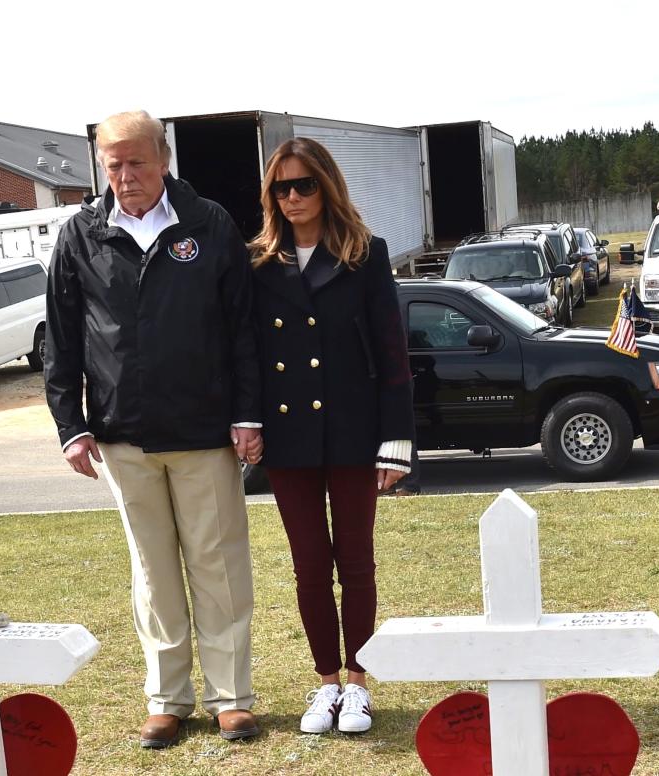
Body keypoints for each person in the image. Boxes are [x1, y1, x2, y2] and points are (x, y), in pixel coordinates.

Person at [43, 110, 263, 749]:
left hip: (204, 434)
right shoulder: (79, 236)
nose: (126, 176)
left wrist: (247, 414)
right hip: (122, 436)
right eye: (113, 164)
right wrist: (70, 425)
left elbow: (241, 328)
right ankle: (167, 699)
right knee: (152, 571)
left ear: (163, 158)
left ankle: (232, 698)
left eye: (137, 162)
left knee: (218, 565)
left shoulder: (209, 225)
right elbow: (61, 341)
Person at [248, 138, 415, 735]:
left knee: (358, 563)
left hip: (352, 430)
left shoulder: (365, 255)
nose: (293, 198)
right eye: (281, 188)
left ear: (328, 186)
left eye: (304, 185)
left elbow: (393, 353)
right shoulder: (260, 262)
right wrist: (248, 420)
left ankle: (360, 682)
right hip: (289, 438)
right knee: (309, 566)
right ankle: (326, 683)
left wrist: (397, 439)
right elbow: (249, 354)